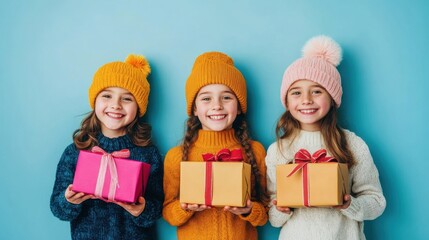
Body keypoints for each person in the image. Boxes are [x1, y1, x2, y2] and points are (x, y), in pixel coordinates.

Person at [265, 36, 386, 240]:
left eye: (317, 91)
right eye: (296, 92)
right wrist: (280, 209)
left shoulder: (351, 144)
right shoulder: (278, 150)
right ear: (286, 100)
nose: (306, 100)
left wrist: (349, 204)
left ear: (332, 97)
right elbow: (273, 217)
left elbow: (376, 203)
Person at [50, 54, 164, 240]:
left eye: (127, 99)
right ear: (95, 100)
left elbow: (157, 209)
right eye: (107, 96)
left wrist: (141, 210)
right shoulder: (75, 152)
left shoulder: (148, 154)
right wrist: (69, 201)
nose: (115, 105)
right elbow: (58, 209)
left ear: (139, 107)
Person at [162, 51, 268, 240]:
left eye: (226, 97)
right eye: (206, 98)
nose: (217, 105)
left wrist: (249, 210)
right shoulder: (177, 156)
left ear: (239, 106)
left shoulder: (255, 151)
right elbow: (168, 212)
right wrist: (184, 208)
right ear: (195, 108)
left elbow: (266, 213)